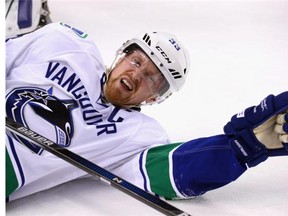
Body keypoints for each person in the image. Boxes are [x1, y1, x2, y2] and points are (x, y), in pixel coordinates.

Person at [6, 22, 288, 203]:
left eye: (152, 78)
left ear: (156, 97)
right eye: (136, 60)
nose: (136, 74)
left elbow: (171, 171)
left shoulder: (136, 135)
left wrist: (243, 149)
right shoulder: (65, 43)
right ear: (122, 54)